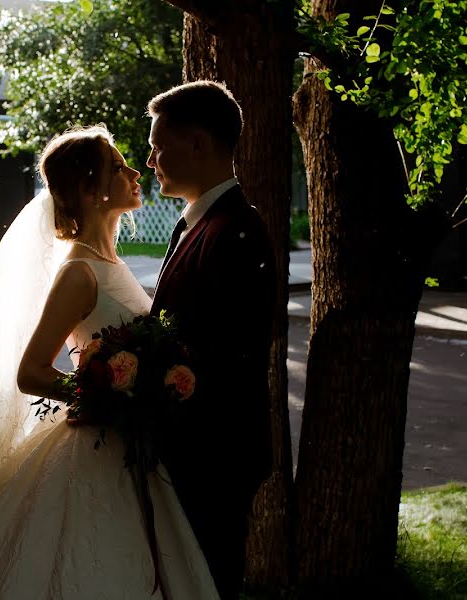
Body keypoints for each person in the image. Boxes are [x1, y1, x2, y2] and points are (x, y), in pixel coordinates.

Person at [0, 125, 219, 599]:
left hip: (132, 448)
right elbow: (32, 372)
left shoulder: (113, 264)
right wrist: (104, 392)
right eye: (119, 168)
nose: (133, 174)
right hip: (94, 452)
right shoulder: (78, 273)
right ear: (90, 188)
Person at [147, 81, 277, 599]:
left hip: (213, 457)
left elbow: (231, 358)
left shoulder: (235, 233)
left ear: (197, 144)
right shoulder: (201, 225)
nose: (152, 159)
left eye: (159, 146)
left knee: (208, 583)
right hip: (190, 453)